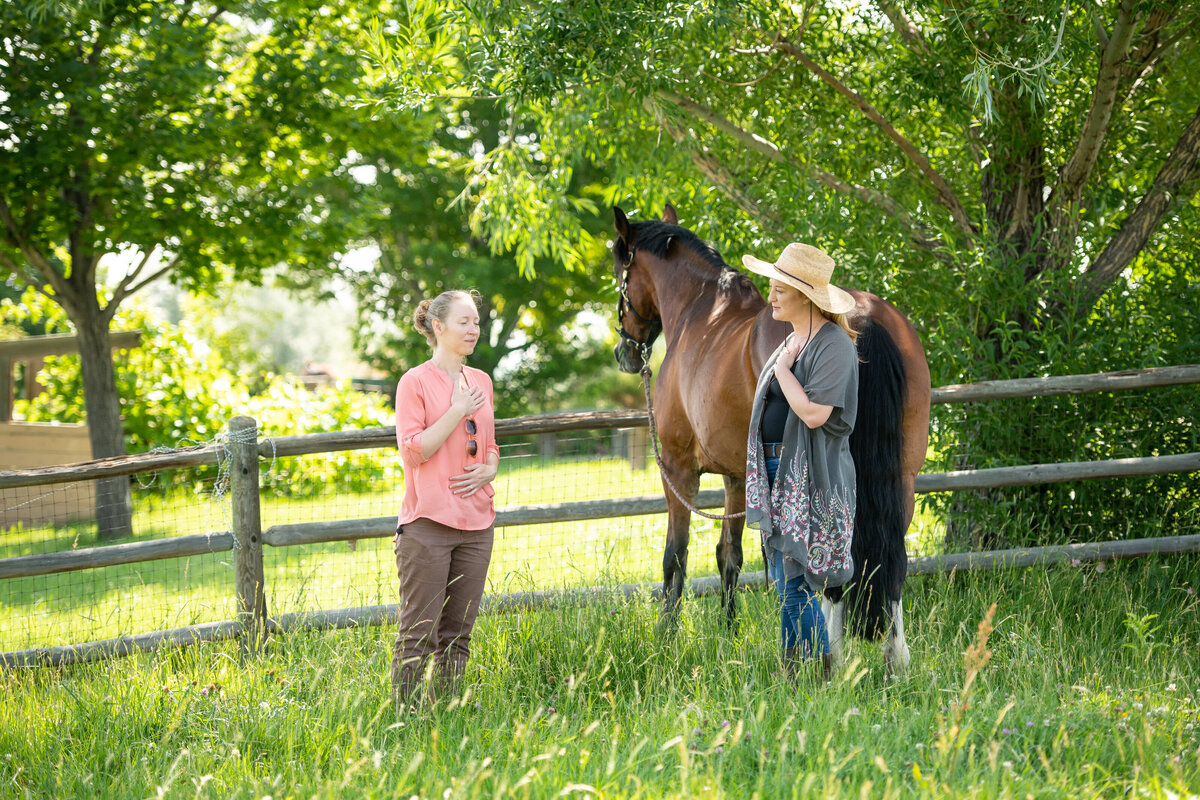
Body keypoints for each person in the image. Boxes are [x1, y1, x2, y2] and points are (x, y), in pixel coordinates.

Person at [741, 243, 859, 681]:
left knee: (797, 587)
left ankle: (816, 676)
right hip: (779, 474)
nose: (770, 296)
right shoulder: (791, 341)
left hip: (813, 478)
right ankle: (798, 677)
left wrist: (785, 373)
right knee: (785, 586)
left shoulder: (833, 347)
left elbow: (813, 415)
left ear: (804, 296)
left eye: (778, 289)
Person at [392, 288, 500, 708]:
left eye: (476, 321)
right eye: (464, 322)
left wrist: (491, 466)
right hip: (428, 526)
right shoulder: (414, 382)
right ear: (438, 327)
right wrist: (455, 409)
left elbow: (490, 443)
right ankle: (404, 722)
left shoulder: (483, 381)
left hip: (477, 526)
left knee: (458, 635)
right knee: (419, 633)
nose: (474, 329)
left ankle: (447, 719)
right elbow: (414, 450)